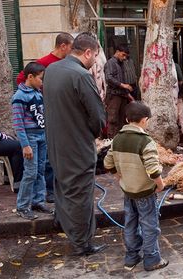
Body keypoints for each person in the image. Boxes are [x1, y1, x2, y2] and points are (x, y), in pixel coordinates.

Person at [43, 33, 107, 256]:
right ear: (87, 52)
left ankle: (63, 223)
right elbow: (98, 117)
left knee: (63, 187)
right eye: (96, 55)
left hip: (56, 143)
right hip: (76, 146)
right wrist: (92, 134)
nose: (95, 61)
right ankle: (82, 243)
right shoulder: (81, 75)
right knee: (80, 195)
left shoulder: (52, 70)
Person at [104, 102, 169, 272]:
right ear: (144, 120)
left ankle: (131, 258)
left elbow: (107, 163)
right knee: (150, 226)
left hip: (128, 191)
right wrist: (161, 186)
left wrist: (119, 178)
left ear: (127, 119)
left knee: (130, 224)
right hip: (145, 193)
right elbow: (153, 169)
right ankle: (152, 259)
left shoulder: (117, 139)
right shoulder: (145, 141)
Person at [16, 32, 74, 204]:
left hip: (57, 115)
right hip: (40, 120)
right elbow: (22, 78)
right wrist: (34, 97)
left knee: (50, 158)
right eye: (70, 47)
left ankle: (46, 194)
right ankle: (36, 197)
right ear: (63, 46)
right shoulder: (43, 63)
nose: (71, 51)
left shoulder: (67, 63)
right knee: (39, 163)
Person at [12, 62, 52, 220]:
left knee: (41, 169)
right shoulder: (19, 97)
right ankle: (22, 206)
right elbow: (18, 124)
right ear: (30, 77)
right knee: (30, 172)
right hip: (30, 137)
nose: (42, 82)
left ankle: (38, 200)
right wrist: (25, 145)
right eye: (40, 79)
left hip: (42, 135)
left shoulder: (38, 93)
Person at [104, 45, 134, 138]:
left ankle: (119, 141)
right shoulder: (110, 63)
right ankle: (111, 142)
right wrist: (123, 85)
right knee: (113, 120)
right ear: (117, 52)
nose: (124, 58)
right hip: (114, 96)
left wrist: (128, 95)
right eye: (123, 55)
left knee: (122, 120)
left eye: (126, 56)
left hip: (122, 96)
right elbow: (109, 78)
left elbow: (122, 80)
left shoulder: (121, 64)